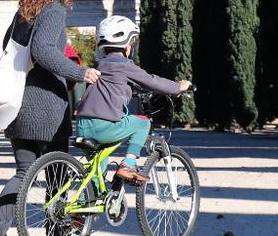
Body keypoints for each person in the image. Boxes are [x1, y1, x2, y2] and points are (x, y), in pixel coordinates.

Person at [0, 0, 100, 236]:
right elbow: (43, 51)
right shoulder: (54, 10)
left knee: (24, 173)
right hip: (46, 107)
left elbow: (10, 51)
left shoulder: (24, 13)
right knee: (59, 176)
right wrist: (79, 72)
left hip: (18, 106)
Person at [75, 15, 191, 184]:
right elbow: (152, 81)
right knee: (142, 123)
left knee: (98, 165)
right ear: (127, 46)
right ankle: (129, 164)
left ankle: (85, 205)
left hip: (82, 125)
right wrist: (178, 87)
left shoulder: (99, 66)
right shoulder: (124, 65)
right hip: (103, 126)